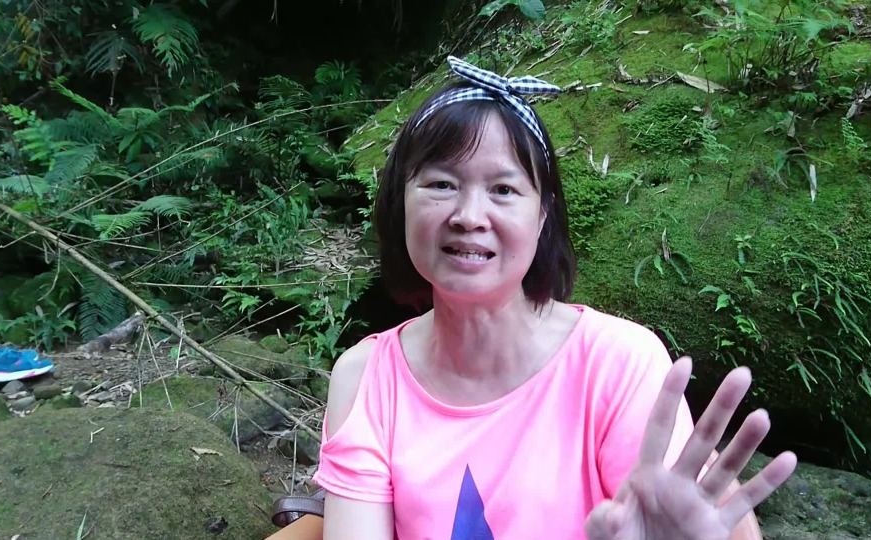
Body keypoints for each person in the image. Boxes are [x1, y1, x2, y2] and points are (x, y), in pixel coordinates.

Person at [311, 56, 797, 540]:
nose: (469, 216)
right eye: (441, 184)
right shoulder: (366, 379)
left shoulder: (616, 364)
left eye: (503, 189)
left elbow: (677, 522)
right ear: (400, 202)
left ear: (542, 217)